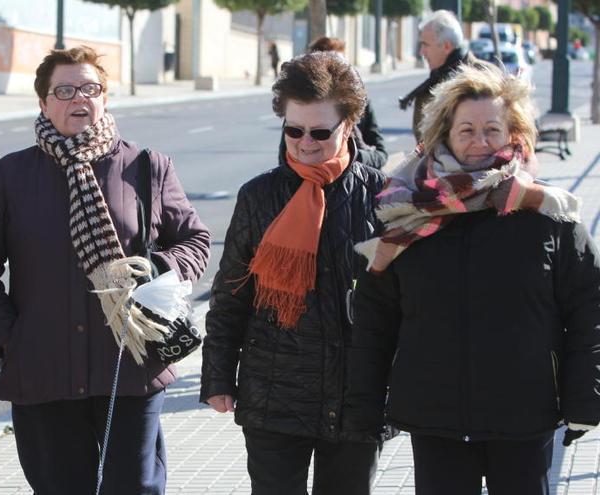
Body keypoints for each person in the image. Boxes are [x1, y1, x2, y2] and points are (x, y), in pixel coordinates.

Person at [0, 45, 210, 494]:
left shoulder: (144, 166)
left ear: (105, 97)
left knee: (133, 487)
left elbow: (195, 240)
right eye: (65, 90)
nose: (80, 98)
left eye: (90, 88)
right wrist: (6, 337)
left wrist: (154, 269)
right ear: (43, 103)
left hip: (130, 366)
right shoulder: (12, 174)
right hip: (43, 371)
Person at [346, 64, 600, 494]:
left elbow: (589, 309)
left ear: (513, 132)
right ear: (445, 133)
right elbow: (376, 318)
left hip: (524, 418)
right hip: (435, 420)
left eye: (492, 129)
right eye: (466, 129)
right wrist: (364, 404)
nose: (480, 141)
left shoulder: (547, 214)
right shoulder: (407, 215)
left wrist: (584, 399)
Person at [200, 51, 385, 494]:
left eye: (321, 132)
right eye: (294, 130)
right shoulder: (258, 196)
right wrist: (218, 376)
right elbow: (230, 295)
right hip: (273, 392)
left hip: (355, 394)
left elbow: (406, 303)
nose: (305, 142)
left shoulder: (383, 198)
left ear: (349, 126)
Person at [399, 10, 486, 141]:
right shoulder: (427, 92)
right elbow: (424, 148)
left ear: (446, 46)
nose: (421, 52)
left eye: (425, 45)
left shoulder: (487, 77)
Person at [309, 36, 388, 169]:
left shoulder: (361, 103)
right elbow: (286, 159)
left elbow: (381, 155)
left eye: (343, 66)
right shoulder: (301, 109)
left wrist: (353, 156)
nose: (340, 73)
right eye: (331, 68)